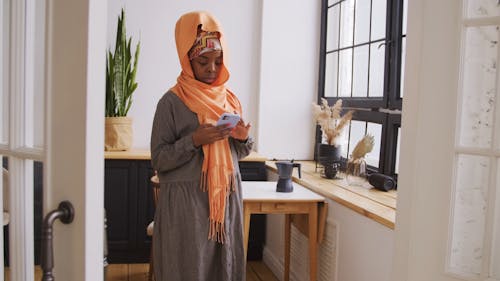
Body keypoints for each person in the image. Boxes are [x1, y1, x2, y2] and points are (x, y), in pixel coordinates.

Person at [150, 11, 253, 281]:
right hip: (188, 207)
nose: (211, 69)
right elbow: (159, 159)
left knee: (224, 269)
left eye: (218, 61)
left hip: (226, 201)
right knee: (186, 268)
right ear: (187, 60)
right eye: (203, 61)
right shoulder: (170, 103)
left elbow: (237, 154)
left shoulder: (229, 100)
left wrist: (242, 138)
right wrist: (195, 140)